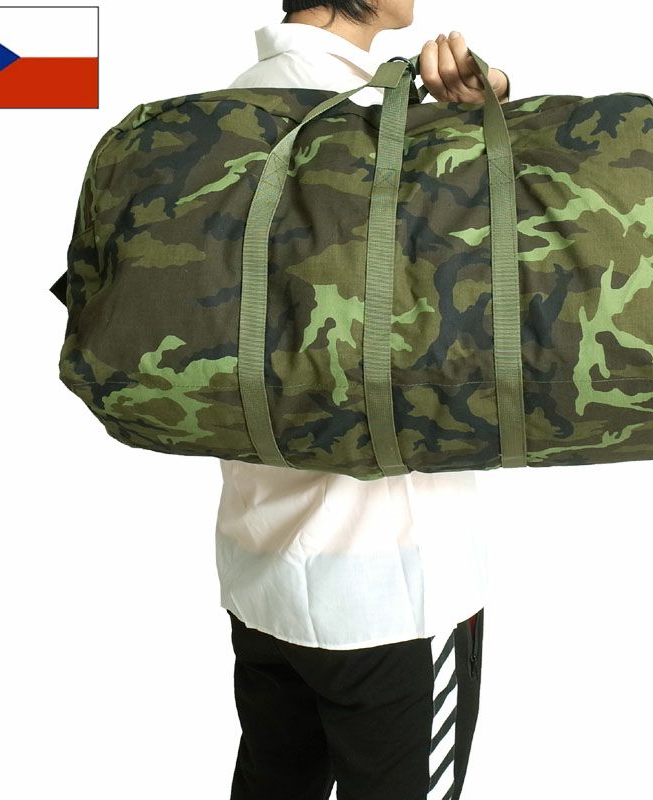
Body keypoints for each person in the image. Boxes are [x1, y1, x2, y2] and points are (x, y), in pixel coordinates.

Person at [216, 2, 510, 798]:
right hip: (394, 590)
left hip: (261, 568)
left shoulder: (231, 108)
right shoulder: (384, 123)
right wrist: (482, 117)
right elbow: (498, 288)